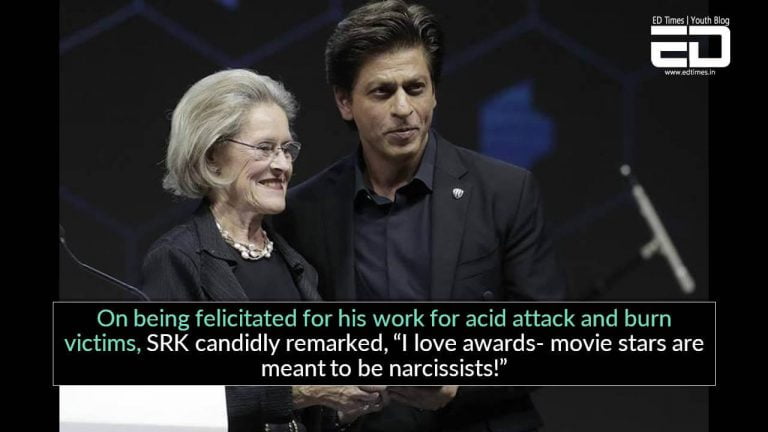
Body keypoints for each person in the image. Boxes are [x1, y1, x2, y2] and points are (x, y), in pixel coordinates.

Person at [274, 1, 568, 431]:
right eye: (382, 92)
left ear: (434, 92)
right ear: (344, 101)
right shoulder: (302, 211)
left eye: (415, 88)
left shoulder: (506, 191)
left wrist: (457, 387)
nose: (403, 108)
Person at [141, 69, 385, 432]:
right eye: (265, 148)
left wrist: (348, 402)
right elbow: (173, 401)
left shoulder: (296, 263)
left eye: (287, 149)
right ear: (212, 155)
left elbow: (310, 405)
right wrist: (302, 391)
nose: (283, 165)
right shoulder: (178, 259)